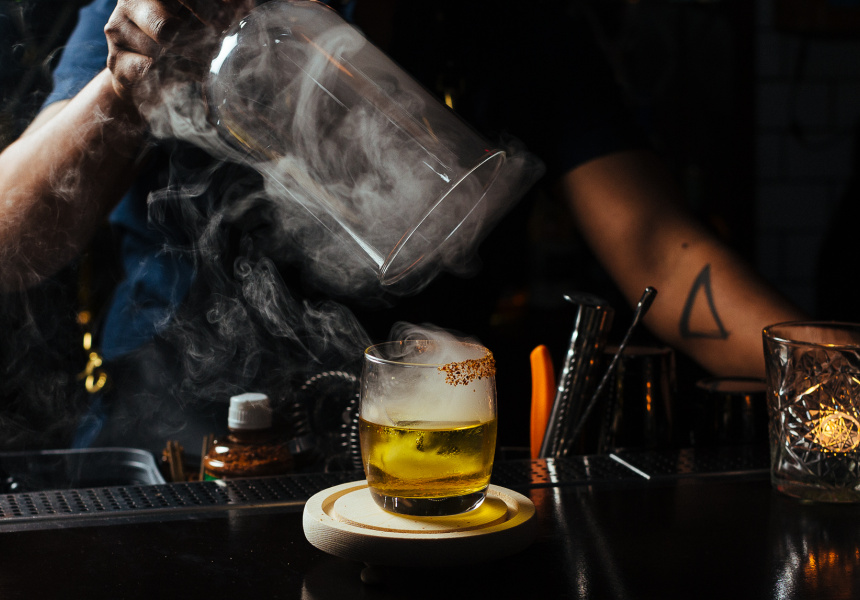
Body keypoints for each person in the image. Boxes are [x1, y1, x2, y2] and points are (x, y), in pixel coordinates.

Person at [0, 0, 804, 453]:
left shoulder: (514, 18)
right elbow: (11, 243)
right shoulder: (177, 6)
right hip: (177, 457)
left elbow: (656, 244)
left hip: (426, 455)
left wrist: (825, 369)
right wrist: (121, 92)